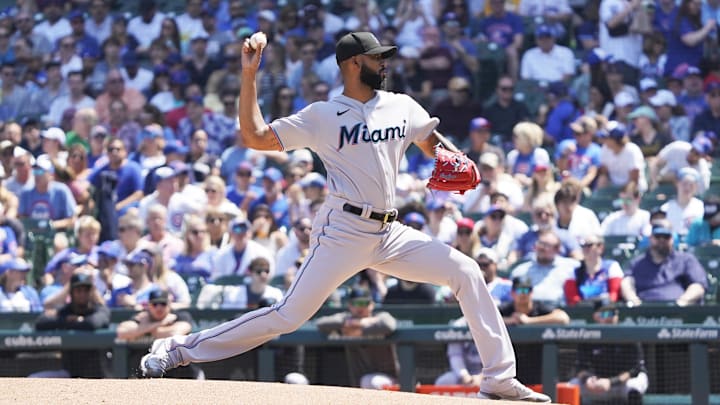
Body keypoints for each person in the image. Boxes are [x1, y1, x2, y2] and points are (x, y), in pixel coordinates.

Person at [140, 31, 550, 402]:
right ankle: (176, 349)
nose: (384, 64)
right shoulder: (323, 115)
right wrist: (250, 78)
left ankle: (498, 378)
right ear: (354, 64)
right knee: (288, 316)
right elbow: (254, 136)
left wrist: (454, 155)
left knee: (467, 271)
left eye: (384, 57)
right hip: (343, 230)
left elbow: (428, 139)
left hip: (390, 231)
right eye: (377, 58)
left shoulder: (401, 105)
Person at [315, 287, 400, 390]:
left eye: (364, 303)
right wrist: (351, 323)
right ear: (349, 305)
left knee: (370, 381)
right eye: (356, 303)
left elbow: (389, 325)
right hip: (359, 381)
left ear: (372, 305)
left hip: (391, 380)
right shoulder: (345, 318)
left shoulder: (380, 316)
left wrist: (361, 328)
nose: (360, 307)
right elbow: (321, 323)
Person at [32, 273, 111, 378]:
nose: (82, 294)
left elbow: (93, 323)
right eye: (78, 290)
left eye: (86, 290)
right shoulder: (66, 311)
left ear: (91, 292)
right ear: (71, 292)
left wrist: (75, 321)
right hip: (69, 374)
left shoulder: (99, 309)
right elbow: (40, 323)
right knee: (34, 378)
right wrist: (66, 320)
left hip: (98, 375)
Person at [570, 301, 648, 405]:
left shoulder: (628, 333)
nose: (610, 317)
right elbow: (580, 367)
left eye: (613, 313)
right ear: (595, 316)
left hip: (622, 384)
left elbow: (635, 369)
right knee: (572, 386)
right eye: (605, 314)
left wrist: (611, 382)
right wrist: (587, 379)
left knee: (636, 384)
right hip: (598, 385)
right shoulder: (587, 336)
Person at [621, 221, 708, 306]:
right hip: (644, 312)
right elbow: (627, 282)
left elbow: (698, 285)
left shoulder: (686, 260)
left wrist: (683, 301)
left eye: (666, 237)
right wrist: (633, 301)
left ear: (672, 239)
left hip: (678, 312)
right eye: (658, 236)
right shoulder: (637, 263)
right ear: (650, 238)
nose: (662, 240)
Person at [511, 229, 580, 306]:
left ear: (557, 249)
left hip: (560, 310)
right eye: (540, 243)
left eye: (547, 245)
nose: (542, 248)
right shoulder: (521, 271)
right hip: (532, 311)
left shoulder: (571, 267)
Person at [563, 234, 625, 306]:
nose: (585, 248)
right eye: (583, 246)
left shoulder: (612, 266)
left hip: (607, 311)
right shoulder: (574, 271)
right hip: (583, 311)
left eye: (589, 245)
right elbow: (572, 299)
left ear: (600, 248)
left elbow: (614, 295)